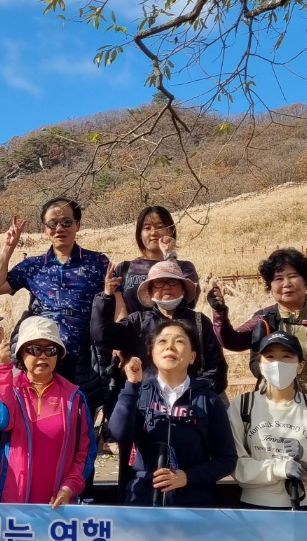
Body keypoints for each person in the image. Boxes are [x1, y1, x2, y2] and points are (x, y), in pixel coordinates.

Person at [210, 247, 307, 431]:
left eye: (293, 276)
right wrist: (219, 312)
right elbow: (231, 341)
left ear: (306, 281)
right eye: (278, 278)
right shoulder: (264, 319)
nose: (286, 283)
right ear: (270, 285)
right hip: (275, 416)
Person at [0, 198, 110, 411]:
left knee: (78, 414)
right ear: (45, 229)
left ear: (78, 225)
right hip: (40, 352)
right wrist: (9, 247)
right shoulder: (33, 266)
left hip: (83, 354)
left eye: (67, 222)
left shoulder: (97, 262)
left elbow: (114, 300)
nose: (59, 228)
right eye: (53, 223)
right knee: (39, 413)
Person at [108, 319, 236, 507]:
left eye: (179, 341)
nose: (170, 347)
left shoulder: (209, 400)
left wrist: (187, 477)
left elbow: (227, 459)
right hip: (142, 502)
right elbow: (117, 433)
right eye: (162, 341)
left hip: (193, 507)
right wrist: (132, 385)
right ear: (151, 354)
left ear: (192, 356)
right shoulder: (137, 392)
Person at [228, 331, 307, 509]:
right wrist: (279, 468)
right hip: (258, 509)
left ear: (300, 366)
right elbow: (235, 463)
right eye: (270, 357)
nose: (278, 363)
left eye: (286, 356)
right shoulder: (242, 406)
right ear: (260, 366)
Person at [0, 317, 93, 507]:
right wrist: (2, 370)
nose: (43, 356)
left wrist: (69, 488)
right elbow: (0, 419)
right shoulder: (10, 389)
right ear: (21, 354)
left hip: (58, 508)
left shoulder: (74, 398)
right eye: (34, 349)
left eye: (50, 350)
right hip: (12, 505)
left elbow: (85, 452)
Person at [91, 258, 228, 393]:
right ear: (149, 292)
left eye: (173, 281)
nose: (166, 286)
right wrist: (107, 297)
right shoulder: (137, 322)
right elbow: (103, 335)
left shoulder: (200, 322)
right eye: (159, 283)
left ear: (183, 288)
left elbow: (217, 369)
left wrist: (194, 391)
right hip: (146, 405)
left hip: (193, 404)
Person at [112, 205, 201, 315]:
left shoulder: (185, 267)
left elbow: (189, 302)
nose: (153, 232)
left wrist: (169, 255)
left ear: (170, 231)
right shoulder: (124, 269)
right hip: (134, 330)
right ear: (139, 234)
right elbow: (118, 313)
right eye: (147, 228)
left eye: (159, 227)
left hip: (172, 331)